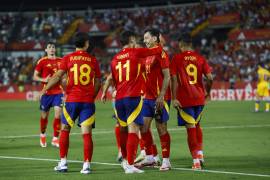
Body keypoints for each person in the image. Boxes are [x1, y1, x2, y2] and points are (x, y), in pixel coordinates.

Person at [40, 32, 101, 174]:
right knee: (86, 134)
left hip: (72, 100)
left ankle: (63, 163)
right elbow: (98, 82)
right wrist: (92, 96)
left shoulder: (67, 58)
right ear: (86, 44)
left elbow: (57, 77)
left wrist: (45, 89)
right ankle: (86, 166)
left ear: (75, 44)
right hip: (87, 101)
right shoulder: (92, 60)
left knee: (65, 130)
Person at [104, 30, 162, 174]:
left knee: (123, 129)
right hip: (133, 96)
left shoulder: (115, 59)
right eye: (135, 40)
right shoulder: (136, 52)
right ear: (131, 40)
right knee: (134, 130)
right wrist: (155, 40)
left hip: (119, 98)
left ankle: (125, 160)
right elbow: (157, 50)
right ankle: (130, 164)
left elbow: (114, 80)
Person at [170, 33, 213, 170]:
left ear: (180, 44)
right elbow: (210, 78)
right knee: (197, 124)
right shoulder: (200, 58)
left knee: (190, 129)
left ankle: (195, 161)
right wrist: (208, 92)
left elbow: (174, 79)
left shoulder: (177, 58)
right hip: (199, 97)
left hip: (185, 99)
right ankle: (200, 154)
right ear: (191, 44)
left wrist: (174, 98)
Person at [137, 29, 171, 171]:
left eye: (147, 38)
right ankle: (150, 157)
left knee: (161, 128)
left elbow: (167, 76)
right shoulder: (147, 55)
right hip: (148, 98)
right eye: (144, 38)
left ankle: (166, 161)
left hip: (159, 98)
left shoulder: (161, 53)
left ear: (155, 38)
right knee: (143, 127)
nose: (144, 41)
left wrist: (161, 95)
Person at [33, 42, 63, 148]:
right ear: (46, 50)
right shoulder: (42, 61)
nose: (52, 49)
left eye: (53, 47)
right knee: (44, 115)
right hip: (46, 93)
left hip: (58, 92)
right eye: (49, 47)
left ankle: (55, 138)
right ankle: (42, 134)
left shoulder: (61, 61)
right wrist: (43, 79)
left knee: (58, 114)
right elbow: (35, 76)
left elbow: (65, 76)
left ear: (55, 49)